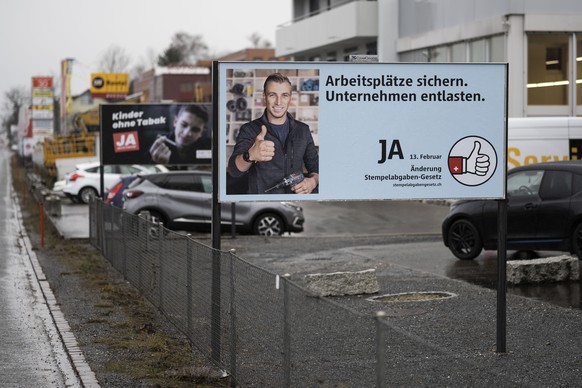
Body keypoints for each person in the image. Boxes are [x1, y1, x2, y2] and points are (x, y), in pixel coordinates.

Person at [228, 72, 319, 194]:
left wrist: (313, 182)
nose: (278, 102)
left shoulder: (303, 130)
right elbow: (234, 170)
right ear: (264, 97)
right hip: (262, 203)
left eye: (284, 95)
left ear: (290, 98)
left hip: (293, 201)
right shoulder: (249, 130)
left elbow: (316, 168)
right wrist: (250, 155)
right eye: (272, 95)